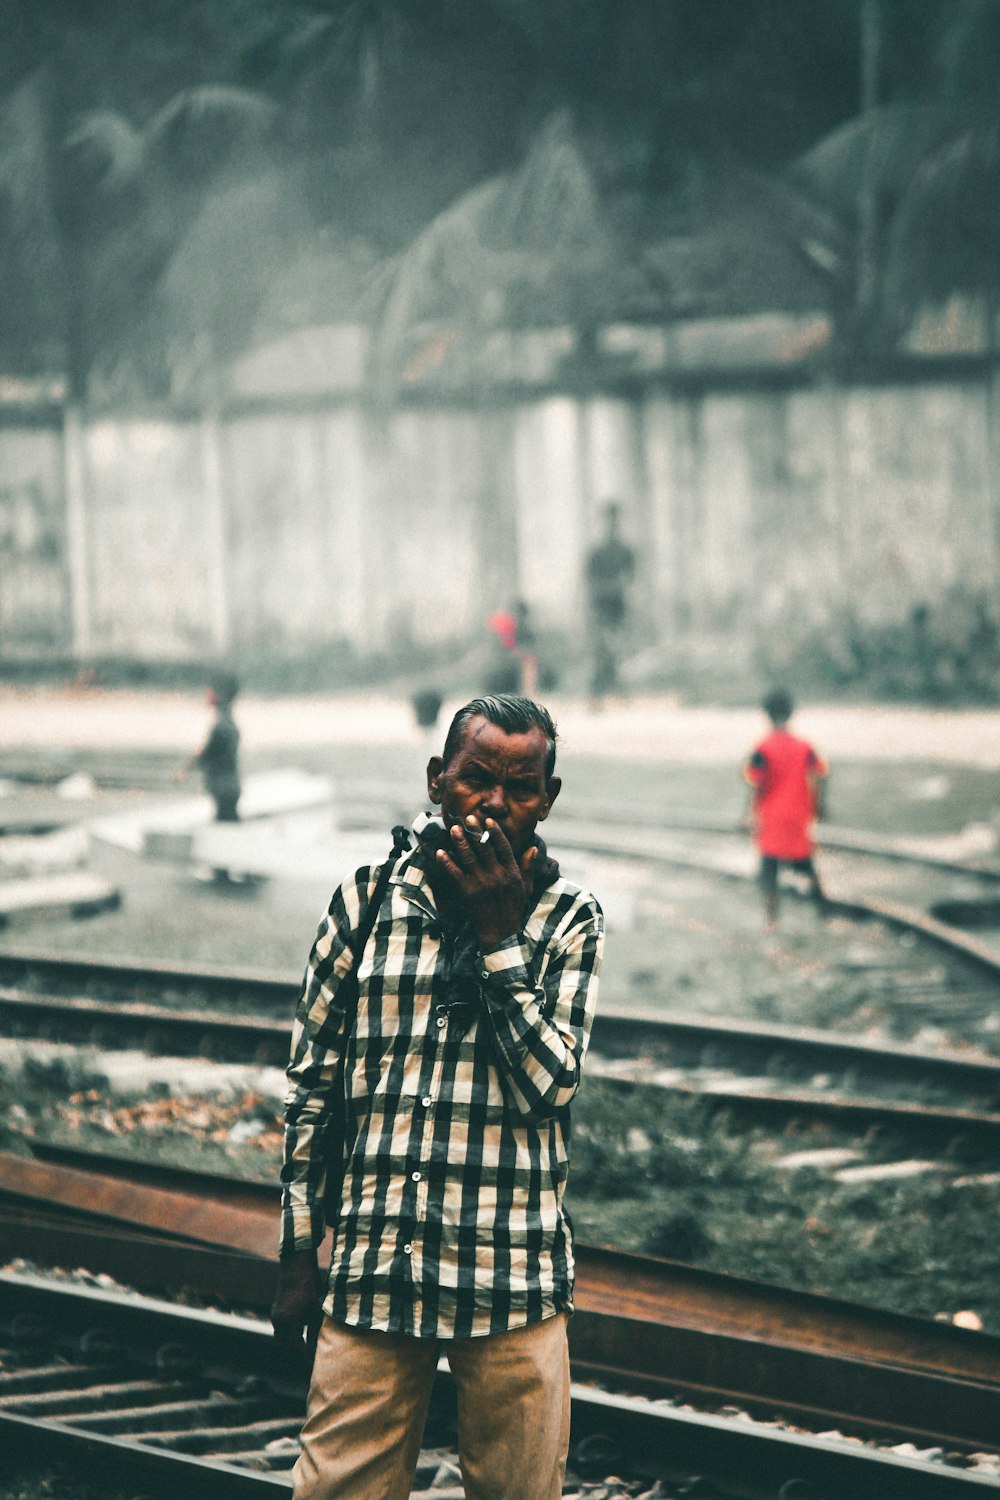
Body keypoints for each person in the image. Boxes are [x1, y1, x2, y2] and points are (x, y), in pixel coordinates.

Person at [271, 694, 604, 1500]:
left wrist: (497, 939)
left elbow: (547, 1086)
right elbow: (313, 1087)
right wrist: (296, 1251)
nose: (494, 803)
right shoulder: (364, 903)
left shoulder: (567, 919)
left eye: (521, 787)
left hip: (513, 1277)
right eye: (475, 779)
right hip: (374, 1266)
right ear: (436, 780)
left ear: (548, 800)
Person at [744, 688, 828, 928]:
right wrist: (821, 806)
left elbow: (755, 783)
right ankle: (822, 911)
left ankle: (771, 921)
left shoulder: (763, 748)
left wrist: (749, 815)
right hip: (799, 813)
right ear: (791, 713)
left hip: (772, 816)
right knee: (806, 864)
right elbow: (820, 773)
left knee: (769, 868)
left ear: (766, 714)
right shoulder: (804, 746)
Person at [584, 500, 635, 703]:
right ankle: (598, 693)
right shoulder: (596, 553)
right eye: (608, 520)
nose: (612, 525)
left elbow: (631, 580)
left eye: (614, 520)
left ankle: (614, 690)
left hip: (618, 607)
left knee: (616, 650)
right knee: (602, 650)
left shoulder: (625, 552)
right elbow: (589, 582)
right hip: (600, 607)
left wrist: (623, 591)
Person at [189, 671, 241, 821]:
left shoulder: (223, 725)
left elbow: (209, 754)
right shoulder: (226, 720)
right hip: (227, 787)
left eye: (210, 690)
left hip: (224, 788)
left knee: (226, 823)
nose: (206, 694)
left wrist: (192, 765)